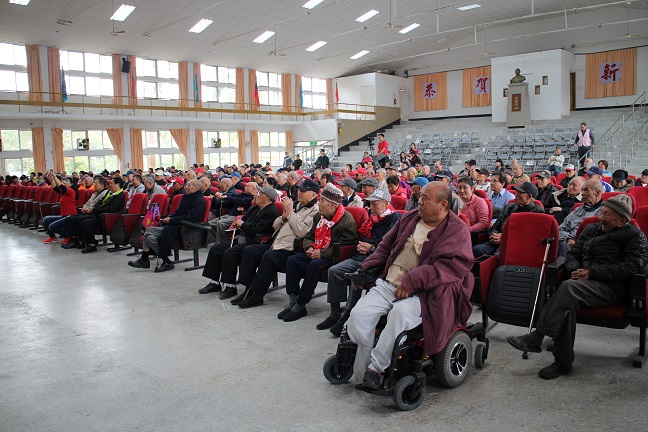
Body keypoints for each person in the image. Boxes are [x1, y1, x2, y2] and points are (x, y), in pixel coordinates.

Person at [346, 182, 474, 388]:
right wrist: (367, 268)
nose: (419, 202)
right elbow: (385, 246)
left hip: (428, 293)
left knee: (400, 314)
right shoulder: (409, 217)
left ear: (443, 205)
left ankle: (376, 368)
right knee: (358, 315)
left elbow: (452, 267)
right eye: (420, 197)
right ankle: (362, 367)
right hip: (390, 283)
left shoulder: (458, 231)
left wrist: (414, 280)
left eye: (425, 199)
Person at [507, 194, 648, 379]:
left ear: (622, 220)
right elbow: (573, 254)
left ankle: (538, 336)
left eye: (607, 214)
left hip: (612, 288)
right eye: (602, 212)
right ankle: (562, 363)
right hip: (583, 283)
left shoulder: (634, 236)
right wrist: (576, 270)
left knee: (568, 288)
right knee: (568, 307)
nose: (601, 217)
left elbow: (633, 266)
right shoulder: (591, 230)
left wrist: (591, 273)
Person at [319, 188, 401, 334]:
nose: (371, 207)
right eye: (371, 203)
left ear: (386, 203)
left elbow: (392, 246)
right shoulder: (372, 219)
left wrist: (372, 248)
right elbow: (363, 238)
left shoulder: (394, 219)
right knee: (335, 271)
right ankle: (335, 312)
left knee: (357, 277)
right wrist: (363, 246)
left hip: (378, 261)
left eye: (375, 204)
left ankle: (347, 316)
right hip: (361, 256)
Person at [229, 180, 321, 307]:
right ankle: (248, 290)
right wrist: (283, 216)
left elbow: (302, 232)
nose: (299, 192)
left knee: (269, 256)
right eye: (299, 190)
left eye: (303, 191)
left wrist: (291, 213)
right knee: (250, 250)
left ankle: (258, 294)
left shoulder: (315, 211)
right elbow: (275, 225)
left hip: (291, 248)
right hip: (276, 243)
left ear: (314, 195)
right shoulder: (296, 205)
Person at [280, 184, 357, 322]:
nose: (319, 203)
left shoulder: (346, 219)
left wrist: (322, 253)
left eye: (322, 201)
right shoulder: (319, 216)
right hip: (316, 250)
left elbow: (346, 245)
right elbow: (309, 236)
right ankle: (293, 300)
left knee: (315, 265)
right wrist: (309, 247)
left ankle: (301, 304)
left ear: (333, 205)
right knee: (293, 260)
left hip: (333, 257)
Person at [200, 186, 280, 300]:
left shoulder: (271, 212)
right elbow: (244, 221)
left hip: (255, 242)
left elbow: (256, 229)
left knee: (230, 253)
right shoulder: (254, 208)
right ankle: (214, 282)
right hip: (243, 238)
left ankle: (230, 286)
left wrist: (242, 225)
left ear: (267, 199)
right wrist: (241, 224)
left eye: (260, 193)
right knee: (216, 248)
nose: (256, 195)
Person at [127, 180, 207, 272]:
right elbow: (177, 212)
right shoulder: (186, 197)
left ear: (195, 188)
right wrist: (170, 217)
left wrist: (172, 220)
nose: (186, 187)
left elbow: (191, 218)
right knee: (150, 238)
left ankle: (145, 259)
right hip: (176, 226)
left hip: (186, 229)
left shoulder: (199, 201)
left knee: (149, 230)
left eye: (188, 185)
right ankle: (165, 261)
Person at [472, 182, 544, 257]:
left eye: (520, 193)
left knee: (498, 257)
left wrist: (504, 237)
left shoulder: (537, 212)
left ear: (529, 196)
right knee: (477, 250)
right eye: (517, 192)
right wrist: (494, 236)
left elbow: (528, 235)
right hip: (496, 242)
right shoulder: (508, 207)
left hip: (516, 244)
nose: (516, 195)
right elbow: (495, 227)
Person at [75, 177, 126, 254]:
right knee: (79, 219)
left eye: (111, 183)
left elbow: (111, 209)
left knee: (87, 223)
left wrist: (95, 210)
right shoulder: (110, 193)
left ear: (117, 185)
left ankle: (91, 244)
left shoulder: (120, 196)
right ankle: (83, 242)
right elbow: (100, 202)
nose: (109, 185)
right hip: (100, 215)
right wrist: (92, 209)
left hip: (108, 218)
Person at [557, 179, 603, 257]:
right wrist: (568, 239)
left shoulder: (604, 212)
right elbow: (560, 229)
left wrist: (580, 243)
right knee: (563, 246)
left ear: (597, 192)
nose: (582, 194)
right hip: (570, 245)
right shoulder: (577, 210)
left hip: (591, 249)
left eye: (586, 190)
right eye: (582, 190)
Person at [61, 176, 109, 250]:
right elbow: (87, 203)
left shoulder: (105, 193)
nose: (94, 184)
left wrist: (88, 209)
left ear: (102, 185)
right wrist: (84, 208)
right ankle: (76, 239)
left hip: (94, 214)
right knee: (72, 218)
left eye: (96, 183)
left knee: (80, 220)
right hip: (87, 212)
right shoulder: (95, 194)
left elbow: (98, 206)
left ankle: (85, 242)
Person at [42, 173, 77, 244]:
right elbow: (55, 187)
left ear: (71, 184)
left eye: (67, 182)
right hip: (63, 215)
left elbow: (61, 186)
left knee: (52, 226)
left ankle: (67, 236)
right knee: (46, 219)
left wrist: (54, 176)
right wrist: (52, 178)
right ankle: (53, 237)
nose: (65, 183)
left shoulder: (71, 191)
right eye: (65, 181)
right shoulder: (63, 193)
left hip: (70, 216)